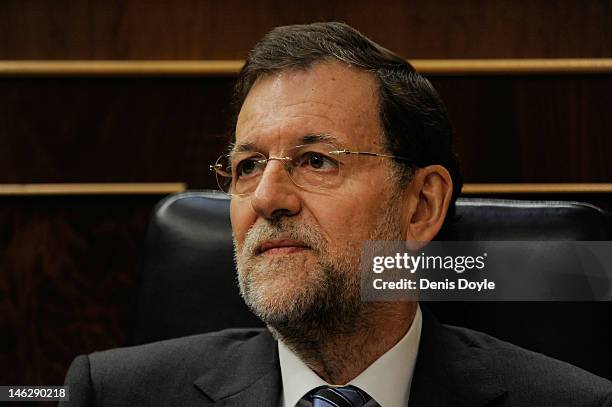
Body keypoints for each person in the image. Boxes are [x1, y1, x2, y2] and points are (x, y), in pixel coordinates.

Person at [61, 22, 612, 406]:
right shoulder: (111, 393)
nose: (266, 198)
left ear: (421, 205)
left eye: (316, 161)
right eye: (248, 164)